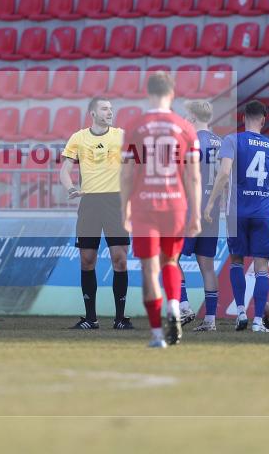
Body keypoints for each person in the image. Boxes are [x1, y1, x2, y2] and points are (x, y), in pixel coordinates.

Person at [120, 72, 201, 348]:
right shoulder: (185, 128)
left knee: (149, 269)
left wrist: (125, 209)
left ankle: (157, 334)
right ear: (173, 94)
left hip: (144, 205)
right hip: (175, 205)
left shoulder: (134, 126)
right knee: (170, 262)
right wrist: (197, 214)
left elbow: (127, 173)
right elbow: (194, 176)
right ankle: (175, 309)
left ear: (148, 93)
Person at [205, 100, 269, 333]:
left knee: (236, 261)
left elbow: (225, 172)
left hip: (237, 211)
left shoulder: (231, 140)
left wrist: (210, 203)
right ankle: (258, 321)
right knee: (261, 267)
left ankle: (240, 312)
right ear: (264, 120)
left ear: (243, 117)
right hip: (262, 211)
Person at [59, 97, 133, 330]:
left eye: (111, 108)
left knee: (119, 260)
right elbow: (64, 170)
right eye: (104, 108)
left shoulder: (121, 135)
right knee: (87, 260)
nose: (110, 112)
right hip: (89, 203)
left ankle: (120, 319)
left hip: (115, 202)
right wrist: (71, 188)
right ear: (92, 112)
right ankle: (91, 319)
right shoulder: (78, 138)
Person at [177, 100, 223, 332]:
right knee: (207, 266)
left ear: (193, 118)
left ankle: (184, 306)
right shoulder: (221, 142)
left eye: (186, 116)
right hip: (212, 212)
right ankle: (211, 321)